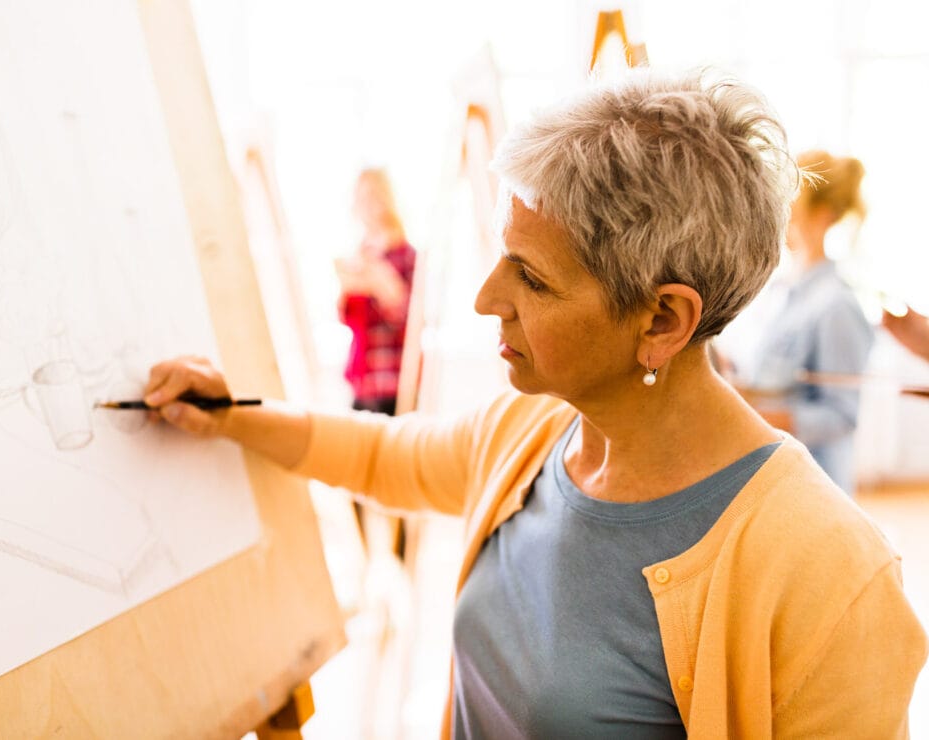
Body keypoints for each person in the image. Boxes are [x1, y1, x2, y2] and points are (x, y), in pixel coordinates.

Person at [143, 69, 926, 738]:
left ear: (663, 320)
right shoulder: (534, 431)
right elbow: (383, 455)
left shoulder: (833, 578)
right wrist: (229, 413)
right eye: (501, 257)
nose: (488, 298)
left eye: (534, 278)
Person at [725, 150, 873, 495]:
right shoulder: (781, 289)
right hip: (771, 477)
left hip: (814, 489)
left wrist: (742, 410)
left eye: (789, 206)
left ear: (822, 216)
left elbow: (840, 417)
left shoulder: (837, 305)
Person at [335, 167, 417, 417]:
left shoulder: (406, 255)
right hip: (364, 379)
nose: (366, 205)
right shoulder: (360, 254)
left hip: (394, 380)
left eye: (372, 196)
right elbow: (349, 316)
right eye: (360, 197)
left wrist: (378, 277)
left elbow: (406, 317)